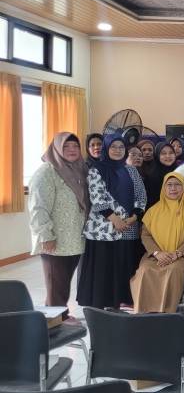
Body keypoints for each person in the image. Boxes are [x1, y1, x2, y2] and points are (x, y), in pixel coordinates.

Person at [77, 135, 147, 309]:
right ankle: (100, 306)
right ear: (106, 148)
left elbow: (141, 196)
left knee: (123, 267)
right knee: (104, 269)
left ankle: (120, 304)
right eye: (113, 147)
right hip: (103, 230)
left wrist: (133, 217)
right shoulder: (96, 170)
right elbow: (97, 197)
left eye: (121, 147)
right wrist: (115, 220)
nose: (117, 150)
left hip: (128, 227)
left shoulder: (131, 170)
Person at [28, 132, 89, 308]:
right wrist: (46, 236)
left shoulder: (79, 169)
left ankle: (61, 314)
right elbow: (38, 207)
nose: (72, 149)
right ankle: (56, 318)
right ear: (56, 149)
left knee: (63, 282)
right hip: (54, 240)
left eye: (75, 146)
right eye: (66, 146)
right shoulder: (47, 172)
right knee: (55, 283)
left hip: (73, 239)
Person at [130, 172, 184, 313]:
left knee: (173, 271)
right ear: (164, 188)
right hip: (155, 256)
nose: (173, 188)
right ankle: (143, 311)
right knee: (145, 270)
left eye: (177, 185)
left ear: (183, 188)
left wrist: (177, 253)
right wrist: (157, 253)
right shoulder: (153, 211)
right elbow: (145, 235)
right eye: (169, 185)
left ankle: (166, 312)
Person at [144, 142, 177, 209]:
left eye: (171, 153)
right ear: (157, 155)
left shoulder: (179, 171)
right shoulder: (152, 176)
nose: (168, 156)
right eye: (163, 153)